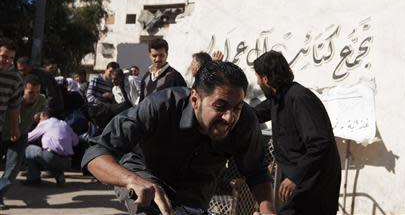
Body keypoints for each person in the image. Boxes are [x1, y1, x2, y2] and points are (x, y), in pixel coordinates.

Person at [82, 61, 276, 215]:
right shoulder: (160, 107)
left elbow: (256, 172)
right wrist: (131, 180)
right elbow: (95, 154)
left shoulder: (245, 121)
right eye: (220, 107)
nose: (229, 117)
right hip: (145, 175)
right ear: (195, 100)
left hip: (195, 193)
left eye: (237, 108)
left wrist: (267, 210)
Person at [253, 51, 341, 215]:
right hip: (302, 185)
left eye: (258, 77)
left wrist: (295, 177)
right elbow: (252, 115)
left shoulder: (299, 98)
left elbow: (320, 142)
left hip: (314, 186)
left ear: (265, 78)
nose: (257, 82)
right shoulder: (278, 99)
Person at [0, 75, 47, 209]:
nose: (35, 95)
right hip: (3, 134)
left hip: (20, 137)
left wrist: (39, 118)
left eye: (37, 92)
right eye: (31, 92)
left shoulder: (41, 100)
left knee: (13, 168)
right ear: (23, 91)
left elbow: (41, 114)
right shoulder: (13, 100)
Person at [23, 111, 79, 186]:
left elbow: (28, 138)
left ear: (44, 116)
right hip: (67, 162)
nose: (39, 122)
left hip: (51, 157)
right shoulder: (65, 124)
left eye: (39, 119)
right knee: (47, 154)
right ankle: (58, 174)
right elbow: (76, 141)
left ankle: (33, 179)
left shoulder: (46, 123)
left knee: (29, 149)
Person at [0, 38, 22, 143]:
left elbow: (14, 105)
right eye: (4, 57)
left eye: (11, 58)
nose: (8, 61)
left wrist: (15, 128)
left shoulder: (15, 79)